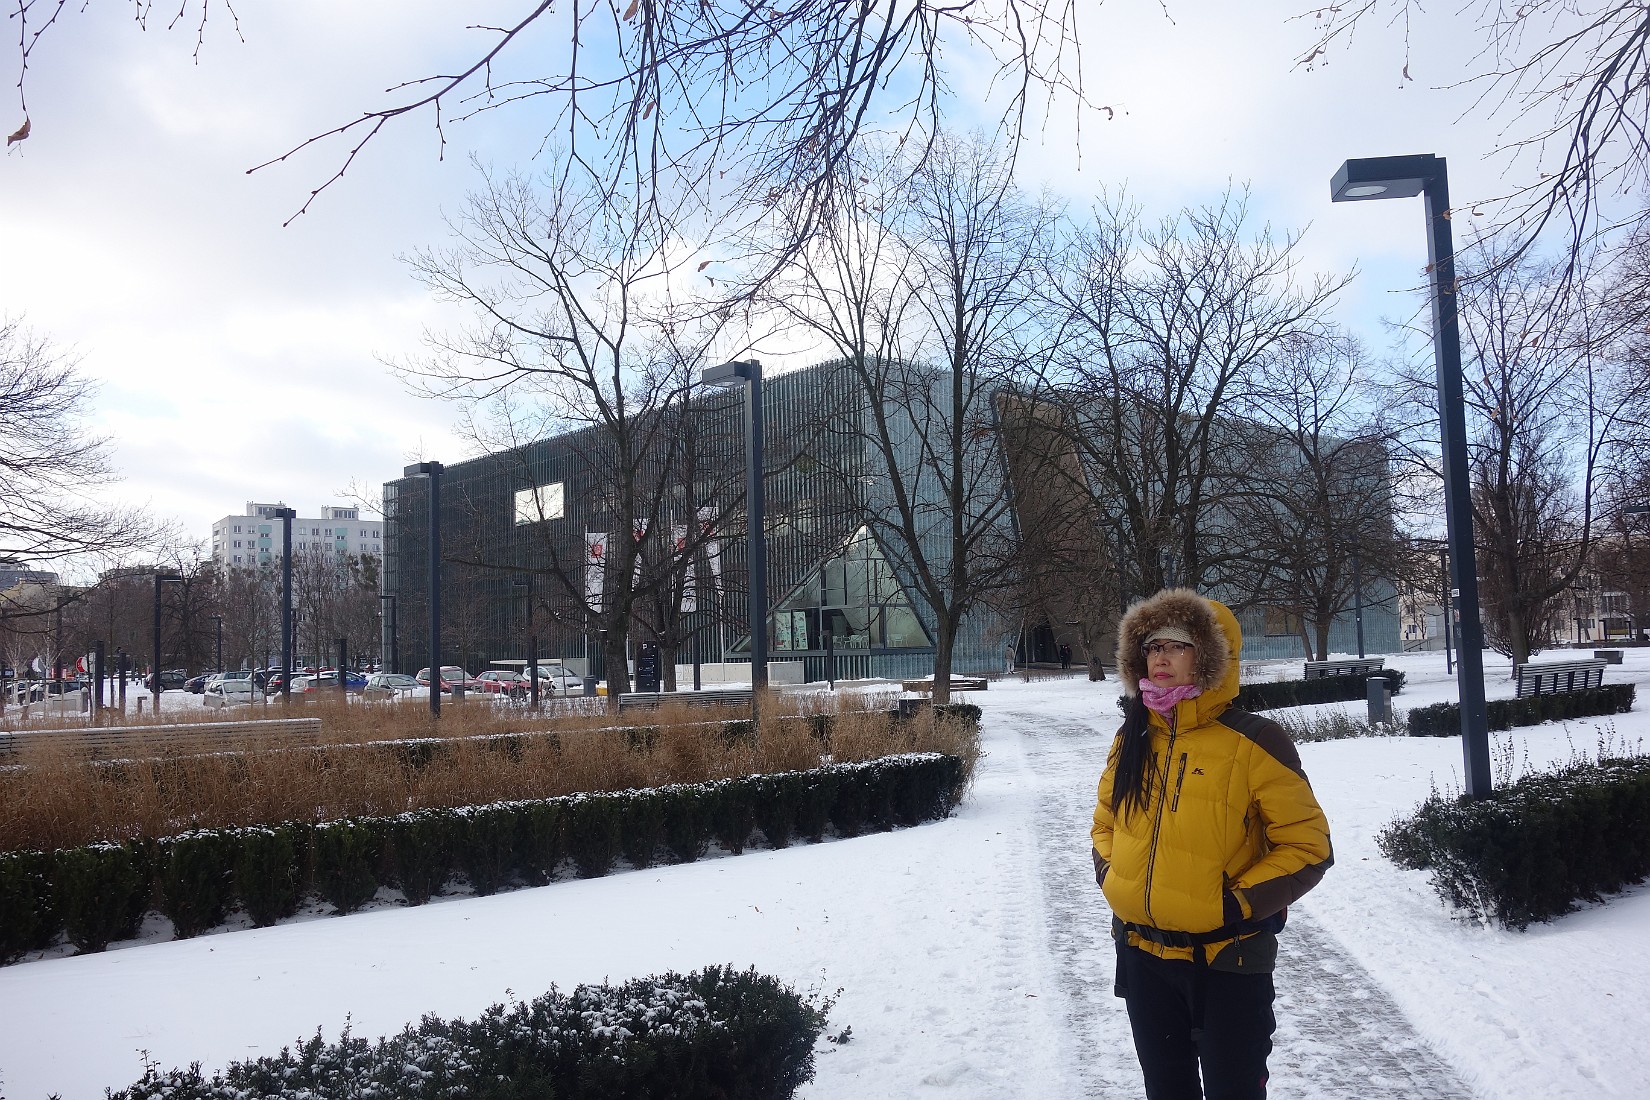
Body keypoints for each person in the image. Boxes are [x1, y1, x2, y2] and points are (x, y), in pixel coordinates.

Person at [1092, 588, 1332, 1100]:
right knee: (1166, 1090)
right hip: (1142, 954)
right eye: (1152, 646)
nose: (1160, 657)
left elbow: (1308, 846)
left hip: (1228, 959)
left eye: (1177, 645)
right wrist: (1114, 877)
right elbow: (1105, 823)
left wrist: (1235, 903)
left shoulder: (1255, 741)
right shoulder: (1132, 737)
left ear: (1211, 656)